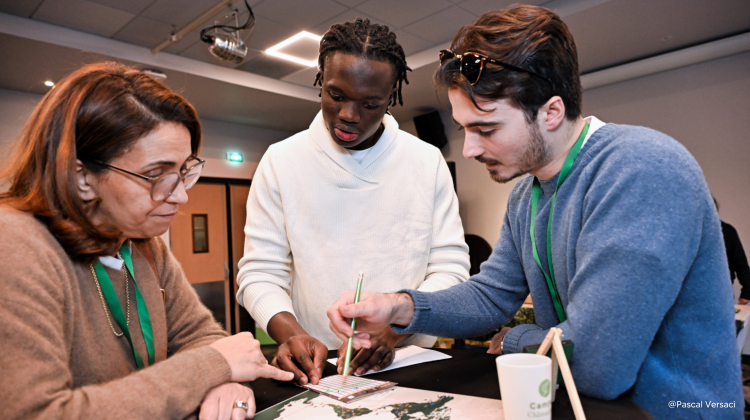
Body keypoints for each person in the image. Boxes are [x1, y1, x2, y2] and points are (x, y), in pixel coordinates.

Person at [327, 6, 743, 419]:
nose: (469, 150)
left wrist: (515, 338)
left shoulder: (642, 170)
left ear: (551, 112)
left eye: (486, 129)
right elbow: (491, 296)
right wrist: (398, 306)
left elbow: (598, 367)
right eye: (464, 129)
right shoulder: (526, 193)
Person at [0, 62, 293, 420]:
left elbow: (202, 335)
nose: (180, 197)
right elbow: (38, 413)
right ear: (82, 178)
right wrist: (212, 369)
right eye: (156, 174)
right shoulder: (14, 244)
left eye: (184, 171)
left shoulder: (140, 242)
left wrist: (226, 382)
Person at [236, 18, 469, 385]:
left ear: (391, 97)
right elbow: (259, 274)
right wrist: (292, 333)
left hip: (411, 360)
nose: (348, 115)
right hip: (318, 367)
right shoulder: (282, 161)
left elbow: (451, 270)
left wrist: (394, 330)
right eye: (336, 95)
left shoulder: (425, 162)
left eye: (370, 103)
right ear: (320, 81)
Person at [715, 199, 750, 304]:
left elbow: (740, 264)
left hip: (721, 294)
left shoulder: (726, 231)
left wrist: (747, 293)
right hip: (690, 295)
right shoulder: (687, 234)